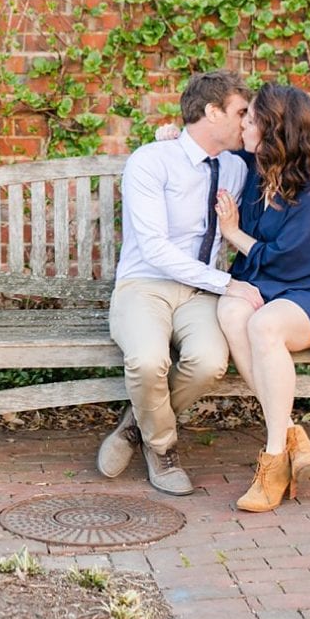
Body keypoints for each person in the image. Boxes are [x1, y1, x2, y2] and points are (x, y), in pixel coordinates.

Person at [97, 69, 265, 496]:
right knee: (147, 362)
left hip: (198, 293)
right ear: (212, 111)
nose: (247, 123)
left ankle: (137, 424)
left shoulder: (235, 166)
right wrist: (225, 282)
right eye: (240, 112)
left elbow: (298, 182)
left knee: (210, 363)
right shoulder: (152, 161)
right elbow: (154, 248)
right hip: (145, 285)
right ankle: (163, 448)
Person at [213, 82, 310, 513]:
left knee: (264, 325)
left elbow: (295, 262)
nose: (243, 125)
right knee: (230, 311)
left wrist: (235, 234)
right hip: (268, 281)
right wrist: (168, 135)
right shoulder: (255, 166)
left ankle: (273, 460)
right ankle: (294, 435)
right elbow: (207, 148)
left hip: (309, 291)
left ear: (274, 129)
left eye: (251, 119)